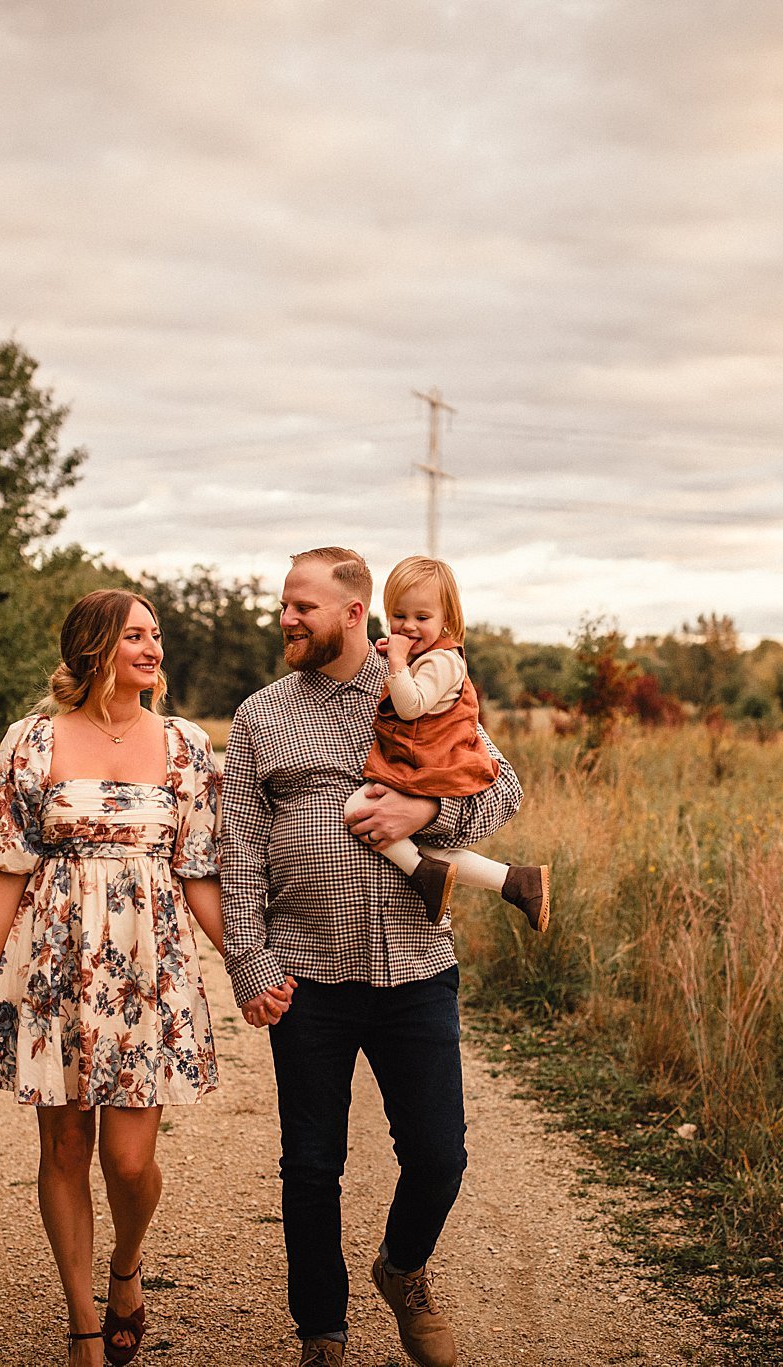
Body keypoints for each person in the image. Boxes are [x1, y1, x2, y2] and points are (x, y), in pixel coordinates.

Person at [222, 546, 525, 1367]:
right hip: (304, 972)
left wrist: (426, 807)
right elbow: (240, 848)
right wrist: (249, 962)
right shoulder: (260, 716)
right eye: (284, 604)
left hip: (415, 966)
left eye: (302, 606)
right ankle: (322, 1331)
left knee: (437, 1152)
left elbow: (502, 788)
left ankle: (404, 1268)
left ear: (355, 614)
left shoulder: (422, 686)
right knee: (311, 1164)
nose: (286, 618)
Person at [0, 589, 225, 1367]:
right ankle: (82, 1321)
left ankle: (125, 1266)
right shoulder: (32, 741)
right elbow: (5, 870)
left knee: (131, 1162)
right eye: (135, 635)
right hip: (54, 967)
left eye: (156, 634)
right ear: (95, 649)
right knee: (68, 1144)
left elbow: (199, 869)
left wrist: (249, 964)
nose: (153, 648)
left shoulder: (185, 744)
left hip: (150, 970)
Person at [352, 553, 550, 933]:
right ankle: (514, 881)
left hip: (434, 764)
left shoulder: (443, 661)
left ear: (447, 621)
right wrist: (401, 658)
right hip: (427, 761)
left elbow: (411, 707)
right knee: (427, 850)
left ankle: (424, 874)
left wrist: (396, 663)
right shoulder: (425, 657)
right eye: (399, 616)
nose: (408, 626)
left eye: (422, 618)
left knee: (359, 809)